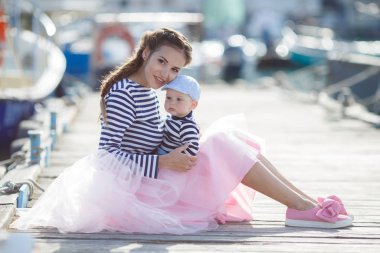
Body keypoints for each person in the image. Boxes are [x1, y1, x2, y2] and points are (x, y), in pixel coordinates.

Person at [11, 28, 352, 234]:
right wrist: (163, 163)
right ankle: (300, 207)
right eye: (161, 61)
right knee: (222, 141)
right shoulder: (122, 92)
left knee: (230, 137)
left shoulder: (148, 91)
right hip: (142, 187)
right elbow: (107, 155)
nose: (166, 72)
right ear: (146, 53)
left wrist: (183, 142)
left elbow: (162, 134)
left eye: (174, 68)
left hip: (161, 173)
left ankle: (303, 202)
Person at [157, 75, 201, 156]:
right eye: (169, 97)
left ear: (193, 105)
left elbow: (192, 149)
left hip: (169, 161)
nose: (172, 102)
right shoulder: (171, 117)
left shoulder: (186, 125)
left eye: (179, 99)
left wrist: (174, 158)